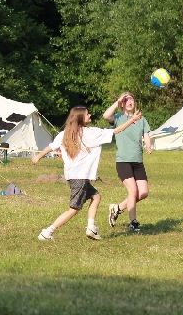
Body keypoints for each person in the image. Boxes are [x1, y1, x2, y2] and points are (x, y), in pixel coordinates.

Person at [32, 105, 142, 241]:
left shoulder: (65, 133)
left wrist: (38, 156)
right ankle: (47, 232)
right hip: (79, 178)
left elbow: (51, 146)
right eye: (87, 114)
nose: (90, 115)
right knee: (74, 209)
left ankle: (91, 227)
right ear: (80, 118)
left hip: (74, 177)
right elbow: (116, 130)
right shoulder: (90, 132)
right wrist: (133, 120)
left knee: (96, 197)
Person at [103, 92, 153, 233]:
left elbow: (146, 135)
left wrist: (148, 145)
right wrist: (117, 101)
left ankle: (117, 208)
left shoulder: (141, 119)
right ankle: (133, 222)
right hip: (123, 161)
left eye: (131, 98)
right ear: (123, 104)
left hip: (137, 161)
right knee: (133, 191)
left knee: (143, 192)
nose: (130, 101)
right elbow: (106, 116)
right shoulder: (118, 118)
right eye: (126, 100)